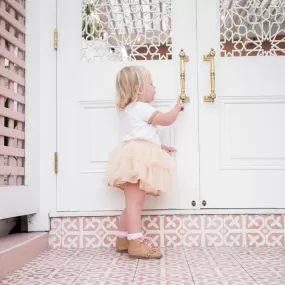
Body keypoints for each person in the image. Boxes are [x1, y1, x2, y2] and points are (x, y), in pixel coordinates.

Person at [104, 65, 184, 259]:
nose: (154, 87)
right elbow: (165, 120)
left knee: (133, 202)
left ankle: (123, 239)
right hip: (137, 159)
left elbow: (142, 135)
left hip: (133, 156)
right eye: (151, 83)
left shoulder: (129, 109)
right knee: (135, 203)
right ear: (139, 89)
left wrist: (159, 146)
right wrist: (176, 109)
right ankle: (136, 241)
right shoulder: (141, 107)